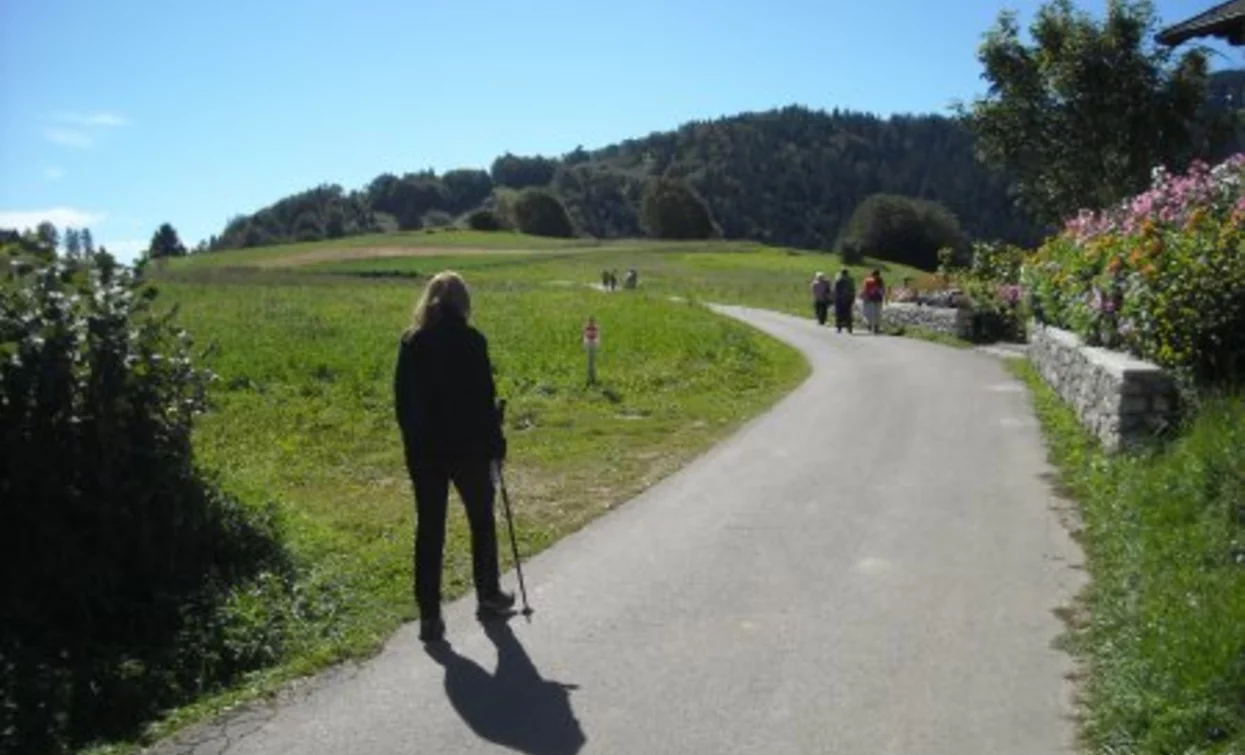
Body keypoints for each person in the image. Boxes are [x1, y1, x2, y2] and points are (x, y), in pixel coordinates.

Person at [394, 271, 515, 644]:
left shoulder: (411, 342)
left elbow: (402, 403)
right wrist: (496, 444)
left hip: (425, 452)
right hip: (468, 451)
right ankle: (488, 595)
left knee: (430, 529)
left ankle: (430, 617)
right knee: (481, 520)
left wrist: (413, 443)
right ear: (463, 302)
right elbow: (482, 400)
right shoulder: (471, 341)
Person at [861, 268, 887, 334]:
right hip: (876, 299)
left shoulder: (868, 280)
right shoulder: (880, 280)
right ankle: (875, 326)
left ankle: (872, 326)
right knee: (877, 313)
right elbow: (883, 290)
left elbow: (865, 290)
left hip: (871, 299)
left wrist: (864, 297)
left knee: (870, 313)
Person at [833, 269, 855, 333]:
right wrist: (853, 297)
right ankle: (849, 328)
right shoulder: (851, 279)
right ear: (847, 273)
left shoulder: (838, 279)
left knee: (839, 313)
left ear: (841, 273)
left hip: (840, 298)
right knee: (848, 313)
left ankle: (839, 328)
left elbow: (835, 289)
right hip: (849, 298)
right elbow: (853, 289)